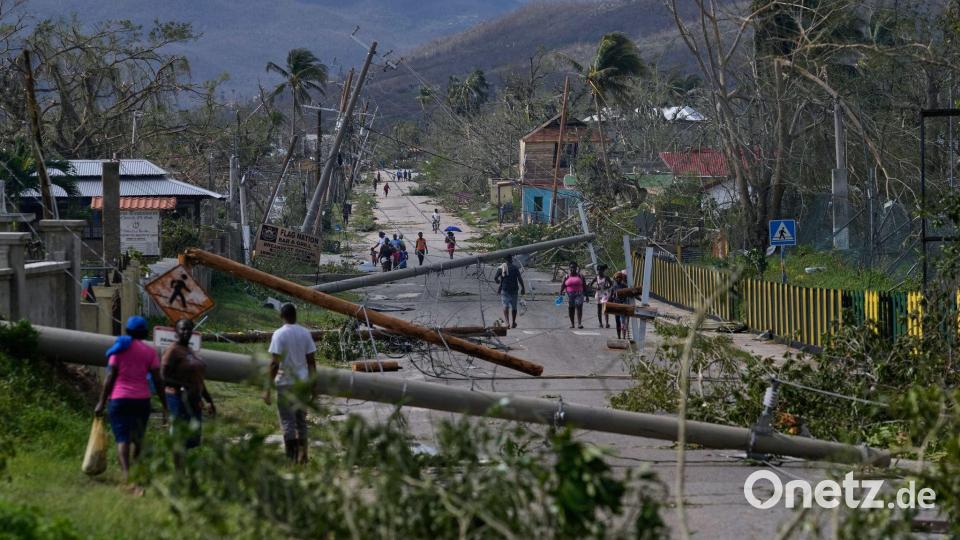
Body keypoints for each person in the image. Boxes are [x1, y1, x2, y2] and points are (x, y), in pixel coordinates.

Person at [94, 316, 168, 484]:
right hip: (141, 401)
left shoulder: (119, 349)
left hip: (119, 399)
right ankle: (135, 468)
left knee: (122, 438)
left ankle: (127, 474)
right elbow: (158, 380)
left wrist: (101, 402)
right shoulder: (150, 352)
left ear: (127, 331)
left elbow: (110, 377)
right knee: (138, 438)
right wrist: (165, 405)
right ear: (144, 333)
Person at [264, 304, 317, 463]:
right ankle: (304, 455)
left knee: (288, 421)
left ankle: (291, 458)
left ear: (282, 316)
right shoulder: (305, 333)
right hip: (301, 383)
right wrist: (314, 387)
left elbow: (274, 364)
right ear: (295, 316)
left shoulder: (279, 334)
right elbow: (311, 363)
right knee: (301, 421)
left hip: (285, 384)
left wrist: (267, 388)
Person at [162, 318, 215, 456]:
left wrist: (209, 400)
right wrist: (183, 385)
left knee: (191, 439)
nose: (186, 332)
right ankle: (179, 473)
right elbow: (163, 377)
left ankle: (185, 471)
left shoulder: (189, 350)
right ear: (176, 332)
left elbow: (198, 380)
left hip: (193, 399)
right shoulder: (172, 351)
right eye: (182, 329)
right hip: (178, 399)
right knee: (180, 438)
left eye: (188, 329)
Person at [495, 255, 526, 328]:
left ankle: (507, 322)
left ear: (505, 260)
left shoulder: (501, 268)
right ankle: (513, 322)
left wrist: (498, 281)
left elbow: (495, 277)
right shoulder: (515, 268)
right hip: (514, 290)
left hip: (505, 290)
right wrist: (523, 288)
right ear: (511, 260)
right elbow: (519, 278)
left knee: (505, 306)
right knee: (514, 307)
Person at [560, 262, 586, 329]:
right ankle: (572, 324)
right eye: (571, 267)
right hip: (569, 295)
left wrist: (587, 296)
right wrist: (560, 293)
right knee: (571, 309)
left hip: (579, 294)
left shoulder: (580, 276)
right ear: (569, 268)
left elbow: (584, 286)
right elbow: (563, 285)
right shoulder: (566, 276)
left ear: (576, 268)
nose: (572, 269)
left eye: (574, 267)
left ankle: (579, 323)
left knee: (579, 307)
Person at [587, 264, 614, 328]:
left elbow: (611, 285)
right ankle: (600, 323)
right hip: (598, 294)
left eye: (601, 270)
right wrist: (595, 288)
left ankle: (607, 323)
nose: (599, 272)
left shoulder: (606, 277)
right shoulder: (596, 278)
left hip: (604, 294)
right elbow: (590, 285)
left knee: (605, 309)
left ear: (603, 271)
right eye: (598, 270)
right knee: (599, 309)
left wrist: (607, 286)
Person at [610, 271, 632, 340]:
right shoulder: (614, 287)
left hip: (623, 305)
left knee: (623, 322)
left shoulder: (624, 286)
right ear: (615, 278)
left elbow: (630, 293)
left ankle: (624, 337)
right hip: (616, 305)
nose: (619, 279)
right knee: (617, 322)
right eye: (617, 278)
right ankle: (619, 336)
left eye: (620, 278)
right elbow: (611, 297)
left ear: (622, 278)